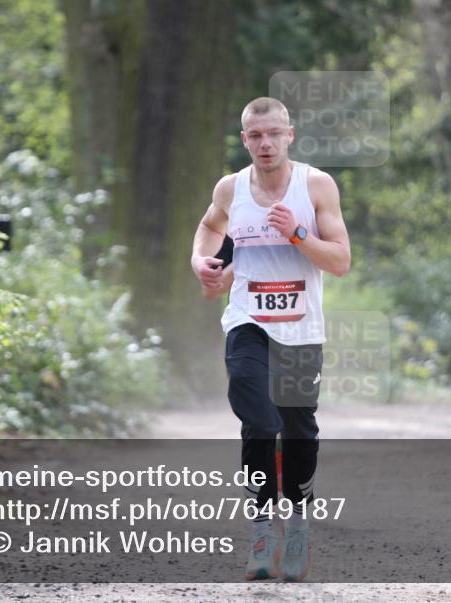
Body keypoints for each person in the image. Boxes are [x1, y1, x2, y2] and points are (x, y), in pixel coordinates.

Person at [190, 96, 351, 582]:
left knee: (298, 431)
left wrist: (299, 234)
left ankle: (298, 521)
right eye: (255, 136)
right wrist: (201, 262)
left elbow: (340, 262)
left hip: (301, 331)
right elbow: (208, 227)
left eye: (273, 134)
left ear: (289, 135)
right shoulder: (230, 188)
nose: (265, 143)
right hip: (246, 323)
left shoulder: (316, 185)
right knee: (259, 421)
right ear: (245, 140)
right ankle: (262, 526)